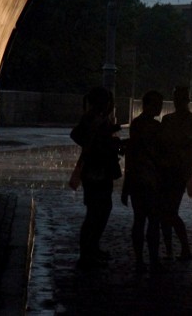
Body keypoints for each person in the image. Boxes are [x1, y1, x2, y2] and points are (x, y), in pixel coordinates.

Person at [70, 86, 122, 269]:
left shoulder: (95, 117)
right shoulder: (94, 118)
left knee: (100, 209)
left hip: (98, 168)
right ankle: (87, 253)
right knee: (96, 211)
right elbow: (77, 135)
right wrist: (101, 142)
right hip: (96, 169)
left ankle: (92, 248)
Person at [121, 90, 166, 274]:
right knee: (153, 221)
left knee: (139, 220)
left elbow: (131, 156)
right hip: (152, 179)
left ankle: (140, 258)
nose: (159, 108)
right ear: (148, 105)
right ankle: (153, 258)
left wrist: (126, 185)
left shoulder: (136, 125)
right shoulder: (156, 127)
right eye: (157, 104)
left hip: (138, 179)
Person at [159, 86, 192, 261]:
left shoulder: (175, 121)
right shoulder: (190, 120)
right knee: (167, 211)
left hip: (178, 171)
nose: (177, 102)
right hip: (170, 170)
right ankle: (177, 249)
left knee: (169, 211)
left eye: (180, 99)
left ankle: (178, 249)